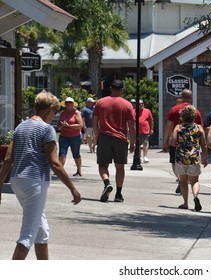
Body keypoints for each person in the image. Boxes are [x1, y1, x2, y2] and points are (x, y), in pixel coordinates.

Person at [0, 91, 81, 260]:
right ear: (50, 109)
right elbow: (55, 163)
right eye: (55, 112)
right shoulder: (47, 129)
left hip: (17, 180)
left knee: (41, 230)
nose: (54, 116)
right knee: (27, 236)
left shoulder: (20, 126)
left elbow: (8, 159)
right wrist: (73, 188)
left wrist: (0, 184)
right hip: (34, 182)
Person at [92, 80, 136, 202]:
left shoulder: (100, 102)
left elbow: (95, 121)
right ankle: (118, 194)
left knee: (102, 165)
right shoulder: (127, 105)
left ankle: (107, 183)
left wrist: (97, 136)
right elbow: (131, 125)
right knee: (120, 167)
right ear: (122, 90)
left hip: (105, 137)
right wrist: (132, 141)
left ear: (110, 88)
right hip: (121, 139)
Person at [163, 89, 203, 194]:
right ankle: (186, 182)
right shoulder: (195, 111)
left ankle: (181, 180)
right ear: (191, 98)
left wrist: (165, 142)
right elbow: (200, 129)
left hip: (176, 143)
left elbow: (168, 126)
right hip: (192, 145)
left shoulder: (174, 109)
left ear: (181, 97)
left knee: (174, 162)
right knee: (192, 165)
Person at [170, 105, 208, 211]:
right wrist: (205, 157)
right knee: (195, 180)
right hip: (194, 157)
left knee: (183, 180)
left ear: (182, 116)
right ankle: (195, 196)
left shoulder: (178, 127)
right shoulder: (199, 128)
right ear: (194, 116)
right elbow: (204, 145)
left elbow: (172, 142)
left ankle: (185, 203)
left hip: (181, 157)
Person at [57, 97, 83, 176]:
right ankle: (60, 171)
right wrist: (61, 125)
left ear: (73, 104)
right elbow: (58, 125)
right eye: (66, 103)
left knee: (76, 153)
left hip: (75, 136)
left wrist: (69, 126)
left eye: (69, 102)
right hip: (64, 135)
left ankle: (79, 171)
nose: (68, 104)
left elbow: (80, 125)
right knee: (62, 153)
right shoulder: (62, 113)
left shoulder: (77, 113)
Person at [136, 99, 154, 163]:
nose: (141, 105)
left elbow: (151, 121)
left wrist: (151, 129)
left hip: (145, 130)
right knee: (138, 145)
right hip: (137, 131)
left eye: (142, 103)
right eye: (139, 104)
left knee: (145, 143)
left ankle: (145, 156)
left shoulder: (147, 111)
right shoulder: (134, 111)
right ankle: (139, 157)